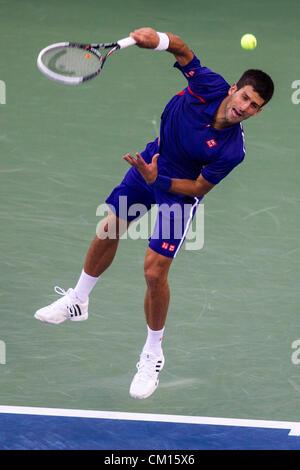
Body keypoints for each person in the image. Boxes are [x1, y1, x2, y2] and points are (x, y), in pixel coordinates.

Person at [34, 27, 274, 400]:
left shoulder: (232, 151)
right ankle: (78, 300)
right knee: (109, 228)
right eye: (244, 96)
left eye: (254, 106)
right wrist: (156, 38)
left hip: (177, 194)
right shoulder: (208, 84)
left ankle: (152, 353)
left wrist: (158, 178)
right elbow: (181, 49)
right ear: (233, 89)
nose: (245, 107)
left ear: (258, 112)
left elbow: (196, 189)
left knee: (153, 271)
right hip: (151, 162)